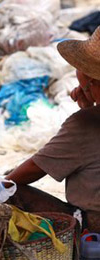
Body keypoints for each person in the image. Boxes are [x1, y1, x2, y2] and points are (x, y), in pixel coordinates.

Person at [6, 27, 100, 232]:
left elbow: (32, 170)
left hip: (93, 227)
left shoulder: (85, 123)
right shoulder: (88, 119)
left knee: (11, 191)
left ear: (91, 81)